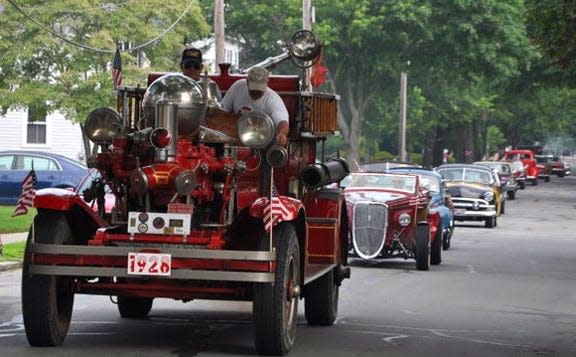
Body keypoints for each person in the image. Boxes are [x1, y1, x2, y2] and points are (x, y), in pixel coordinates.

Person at [221, 66, 289, 146]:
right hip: (235, 139)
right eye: (253, 90)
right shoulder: (237, 87)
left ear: (267, 83)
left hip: (262, 144)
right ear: (247, 82)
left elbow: (282, 121)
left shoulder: (273, 100)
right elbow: (222, 110)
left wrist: (282, 134)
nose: (256, 93)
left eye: (259, 91)